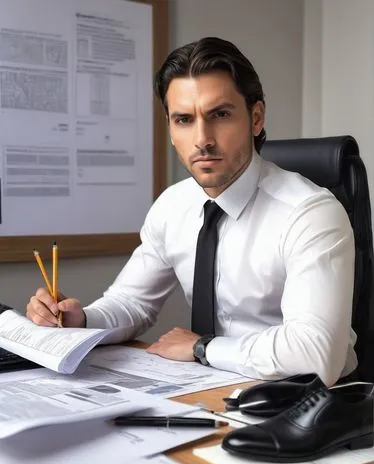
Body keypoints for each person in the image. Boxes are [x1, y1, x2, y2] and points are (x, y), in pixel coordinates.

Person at [26, 37, 358, 386]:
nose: (203, 139)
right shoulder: (173, 204)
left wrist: (203, 348)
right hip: (208, 389)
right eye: (184, 120)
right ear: (170, 129)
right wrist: (80, 319)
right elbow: (132, 303)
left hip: (302, 399)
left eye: (220, 115)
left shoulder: (309, 213)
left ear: (256, 118)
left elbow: (316, 351)